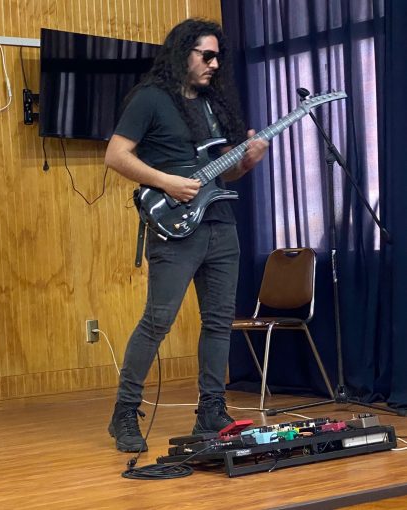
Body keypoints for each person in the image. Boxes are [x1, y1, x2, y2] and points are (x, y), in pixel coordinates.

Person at [104, 18, 268, 453]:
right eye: (206, 55)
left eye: (219, 57)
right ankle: (124, 412)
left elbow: (224, 171)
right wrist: (165, 182)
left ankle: (210, 410)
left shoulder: (215, 105)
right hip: (174, 225)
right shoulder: (151, 99)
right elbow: (116, 155)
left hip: (220, 223)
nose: (214, 64)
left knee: (217, 322)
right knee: (157, 320)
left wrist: (248, 160)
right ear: (182, 53)